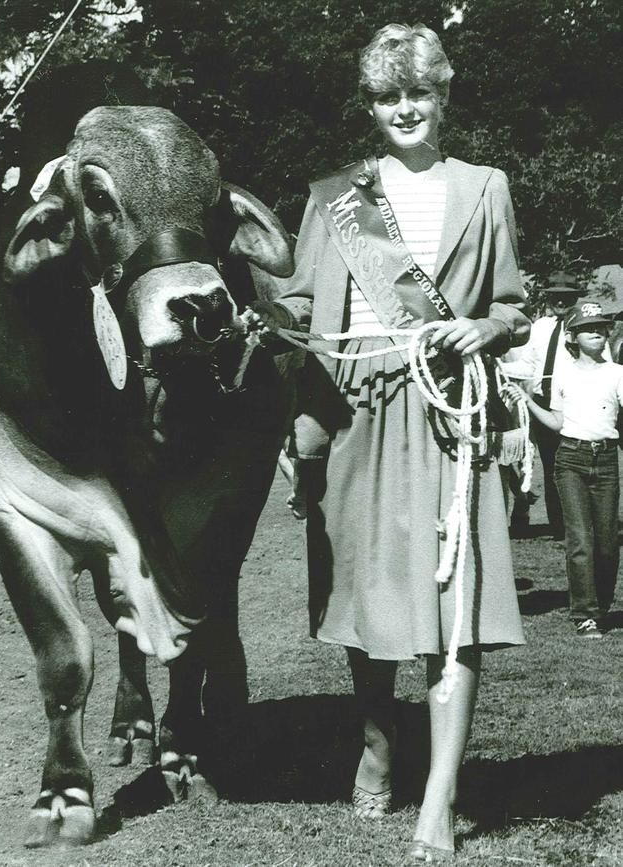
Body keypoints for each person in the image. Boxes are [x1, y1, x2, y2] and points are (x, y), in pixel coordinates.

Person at [250, 23, 530, 860]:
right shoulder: (335, 197)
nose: (405, 108)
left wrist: (485, 327)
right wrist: (258, 321)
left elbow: (514, 302)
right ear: (371, 105)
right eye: (387, 95)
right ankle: (378, 741)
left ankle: (437, 800)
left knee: (459, 605)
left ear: (443, 96)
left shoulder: (485, 187)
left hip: (451, 417)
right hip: (355, 412)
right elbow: (298, 307)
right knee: (366, 600)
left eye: (420, 92)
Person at [524, 301, 623, 638]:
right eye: (588, 328)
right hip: (570, 459)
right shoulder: (563, 375)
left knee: (608, 543)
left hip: (607, 461)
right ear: (573, 336)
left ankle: (602, 606)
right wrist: (526, 402)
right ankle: (585, 615)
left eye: (601, 327)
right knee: (579, 539)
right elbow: (556, 421)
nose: (597, 332)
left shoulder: (617, 374)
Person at [502, 272, 586, 538]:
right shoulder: (539, 327)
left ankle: (582, 526)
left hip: (574, 401)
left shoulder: (584, 325)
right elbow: (528, 366)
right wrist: (497, 367)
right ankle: (559, 528)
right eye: (555, 297)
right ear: (548, 298)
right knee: (551, 467)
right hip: (542, 403)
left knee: (574, 464)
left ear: (574, 298)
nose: (560, 302)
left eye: (565, 297)